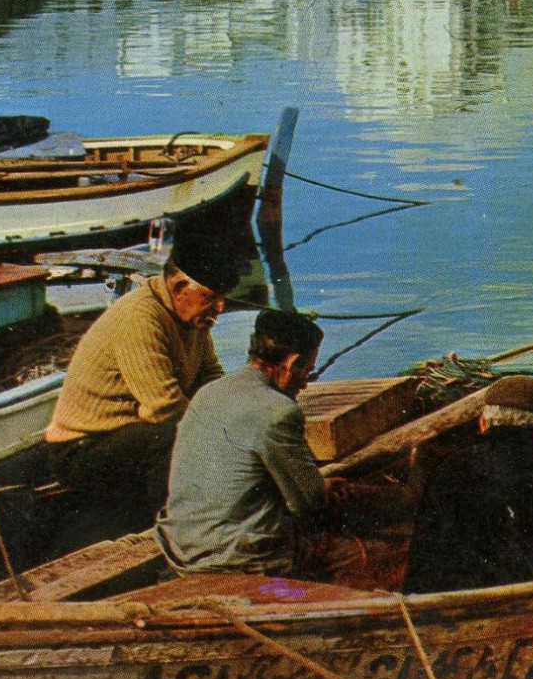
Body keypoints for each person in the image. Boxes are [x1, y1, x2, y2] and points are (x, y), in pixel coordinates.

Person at [44, 233, 240, 537]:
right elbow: (163, 408)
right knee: (170, 433)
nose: (220, 308)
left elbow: (210, 376)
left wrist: (235, 416)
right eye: (212, 297)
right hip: (82, 448)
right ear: (178, 287)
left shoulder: (192, 317)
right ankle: (175, 534)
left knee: (204, 427)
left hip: (126, 435)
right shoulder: (140, 318)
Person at [157, 310, 373, 582]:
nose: (305, 384)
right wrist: (321, 487)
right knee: (356, 554)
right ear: (291, 362)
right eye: (306, 371)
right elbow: (308, 503)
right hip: (237, 559)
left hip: (182, 548)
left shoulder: (209, 392)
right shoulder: (278, 411)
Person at [405, 375, 533, 594]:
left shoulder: (449, 468)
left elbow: (424, 547)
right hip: (513, 601)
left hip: (435, 600)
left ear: (483, 422)